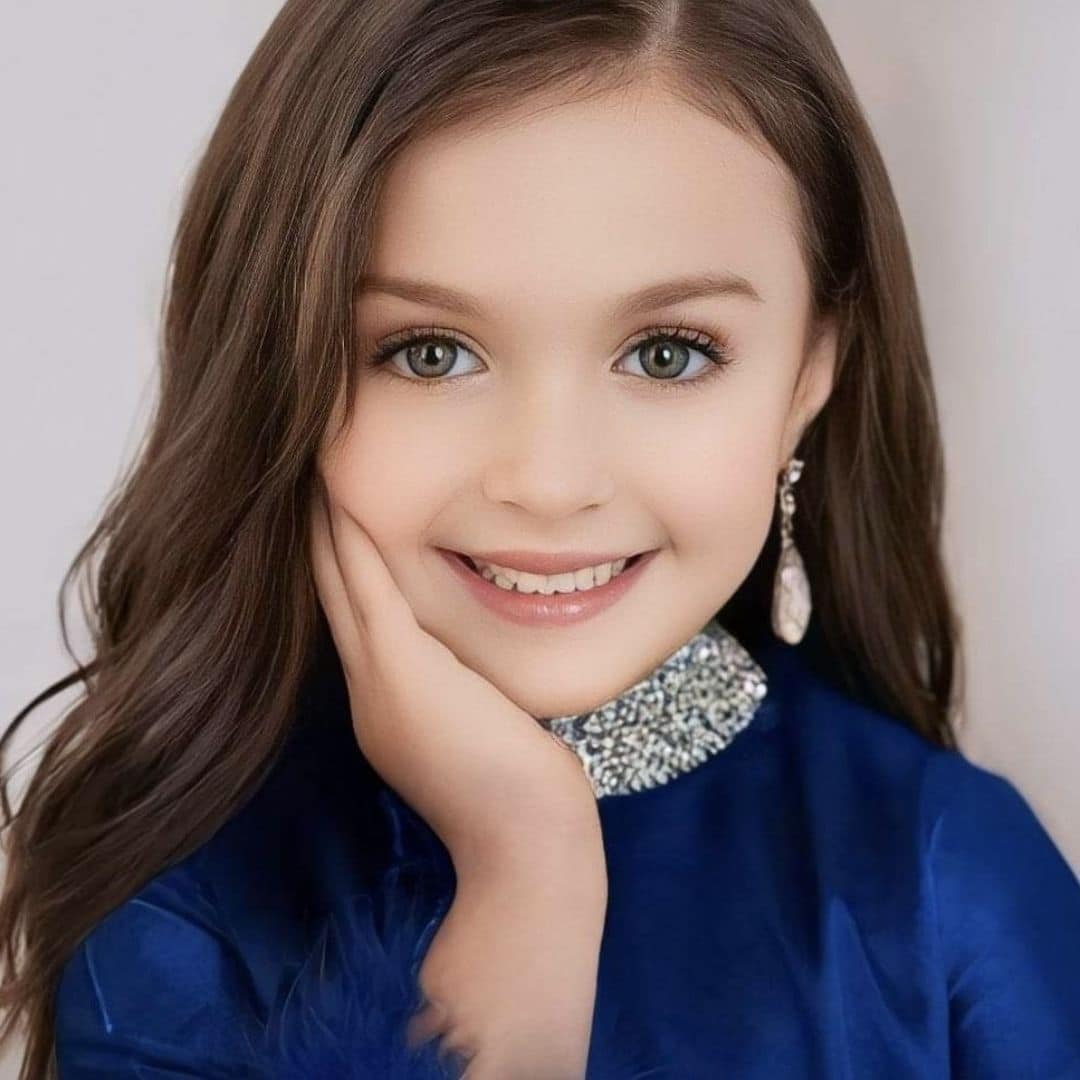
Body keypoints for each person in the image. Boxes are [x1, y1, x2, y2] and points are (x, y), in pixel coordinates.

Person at [2, 0, 1078, 1076]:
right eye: (428, 354)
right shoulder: (185, 893)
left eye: (667, 354)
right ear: (275, 372)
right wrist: (526, 873)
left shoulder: (949, 879)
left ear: (809, 375)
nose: (550, 483)